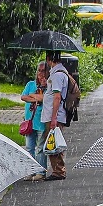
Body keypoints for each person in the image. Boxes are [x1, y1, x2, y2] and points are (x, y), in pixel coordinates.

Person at [42, 50, 70, 180]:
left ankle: (58, 171)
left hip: (54, 115)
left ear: (49, 59)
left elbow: (57, 97)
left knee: (53, 142)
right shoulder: (59, 73)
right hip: (55, 114)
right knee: (54, 141)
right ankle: (58, 170)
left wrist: (53, 118)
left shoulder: (57, 75)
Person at [20, 62, 48, 180]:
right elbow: (23, 97)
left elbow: (44, 99)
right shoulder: (30, 84)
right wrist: (35, 97)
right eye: (39, 71)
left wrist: (33, 96)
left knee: (40, 147)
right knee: (29, 147)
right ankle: (30, 170)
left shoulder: (49, 86)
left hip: (41, 120)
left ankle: (41, 171)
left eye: (43, 71)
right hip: (29, 120)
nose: (41, 74)